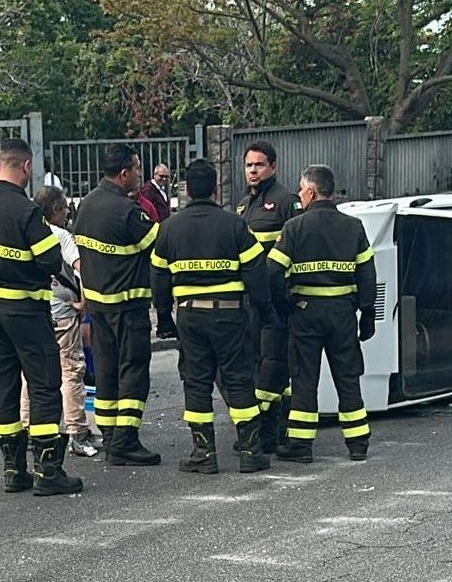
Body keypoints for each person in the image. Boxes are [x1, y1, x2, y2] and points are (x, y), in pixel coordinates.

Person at [0, 138, 83, 496]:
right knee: (44, 385)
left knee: (3, 387)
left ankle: (14, 470)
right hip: (27, 310)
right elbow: (48, 260)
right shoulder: (27, 213)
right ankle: (48, 472)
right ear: (26, 167)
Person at [151, 159, 275, 474]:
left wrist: (164, 318)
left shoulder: (169, 229)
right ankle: (250, 450)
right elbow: (256, 272)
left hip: (191, 317)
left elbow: (159, 278)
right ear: (215, 188)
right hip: (231, 316)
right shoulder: (235, 225)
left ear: (188, 191)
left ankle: (204, 453)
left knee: (196, 382)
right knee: (239, 379)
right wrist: (265, 310)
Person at [267, 164, 377, 463]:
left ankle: (300, 446)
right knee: (348, 377)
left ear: (311, 192)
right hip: (342, 314)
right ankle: (357, 443)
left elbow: (274, 272)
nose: (299, 195)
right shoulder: (353, 227)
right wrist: (367, 315)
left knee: (304, 378)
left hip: (305, 314)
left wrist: (283, 306)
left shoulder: (294, 227)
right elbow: (368, 274)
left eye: (301, 189)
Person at [73, 143, 162, 466]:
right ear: (124, 173)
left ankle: (110, 437)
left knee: (107, 374)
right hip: (128, 307)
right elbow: (160, 243)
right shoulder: (126, 212)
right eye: (137, 169)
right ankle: (126, 440)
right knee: (133, 372)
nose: (139, 175)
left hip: (98, 309)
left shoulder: (86, 205)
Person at [18, 186, 104, 458]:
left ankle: (28, 430)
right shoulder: (61, 236)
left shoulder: (25, 233)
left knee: (30, 375)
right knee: (71, 371)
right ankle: (77, 432)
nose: (68, 212)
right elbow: (81, 268)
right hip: (64, 316)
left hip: (35, 315)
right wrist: (84, 302)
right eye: (65, 207)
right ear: (55, 210)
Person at [235, 141, 302, 453]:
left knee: (275, 366)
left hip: (277, 299)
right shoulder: (243, 206)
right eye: (249, 165)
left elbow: (297, 249)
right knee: (259, 363)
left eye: (259, 165)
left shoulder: (287, 201)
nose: (252, 170)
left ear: (273, 167)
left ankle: (276, 430)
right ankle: (270, 430)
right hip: (251, 300)